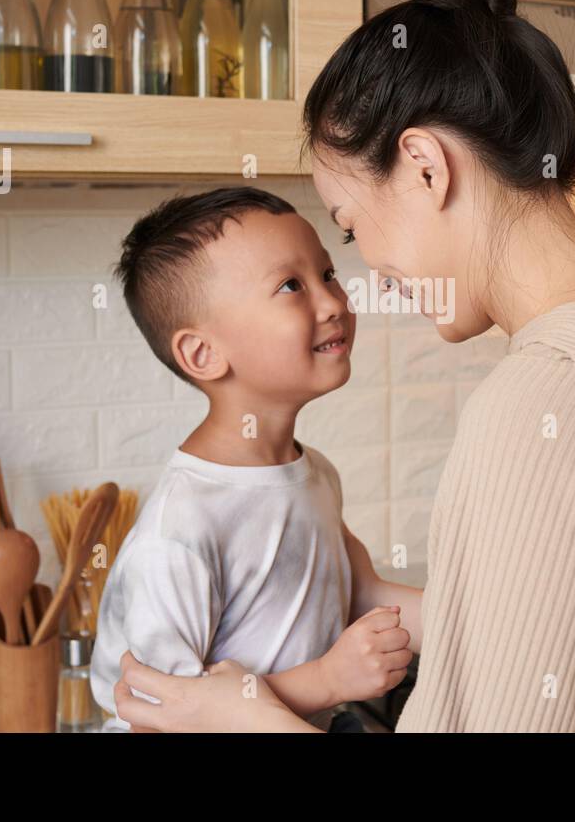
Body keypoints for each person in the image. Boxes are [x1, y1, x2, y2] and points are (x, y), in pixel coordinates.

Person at [113, 0, 575, 732]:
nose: (367, 269)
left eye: (349, 231)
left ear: (423, 167)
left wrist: (239, 718)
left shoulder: (529, 413)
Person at [89, 187, 416, 730]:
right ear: (203, 354)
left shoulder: (313, 473)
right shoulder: (181, 530)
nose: (334, 302)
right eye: (291, 286)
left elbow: (361, 591)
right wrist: (329, 680)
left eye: (327, 273)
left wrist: (496, 616)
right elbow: (162, 714)